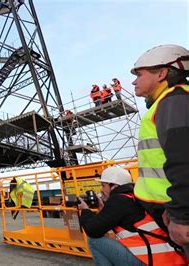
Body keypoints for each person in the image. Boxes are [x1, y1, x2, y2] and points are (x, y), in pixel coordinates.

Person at [130, 44, 189, 258]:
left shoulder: (175, 101)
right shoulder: (171, 102)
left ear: (162, 73)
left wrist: (182, 217)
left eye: (139, 74)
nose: (134, 81)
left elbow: (183, 160)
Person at [77, 167, 186, 265]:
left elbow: (92, 229)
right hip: (170, 258)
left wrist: (85, 210)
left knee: (94, 241)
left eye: (103, 185)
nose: (101, 189)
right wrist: (103, 209)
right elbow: (114, 218)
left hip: (151, 260)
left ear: (114, 186)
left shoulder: (118, 200)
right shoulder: (134, 196)